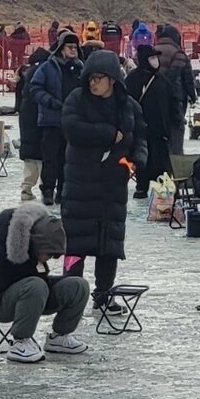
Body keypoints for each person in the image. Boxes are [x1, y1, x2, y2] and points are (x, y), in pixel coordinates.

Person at [60, 49, 144, 312]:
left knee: (109, 245)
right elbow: (72, 129)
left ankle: (104, 295)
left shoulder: (129, 106)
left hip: (112, 185)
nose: (93, 83)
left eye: (99, 78)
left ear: (112, 80)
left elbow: (140, 137)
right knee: (75, 244)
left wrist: (137, 161)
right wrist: (108, 133)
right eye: (90, 78)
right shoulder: (77, 100)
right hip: (80, 185)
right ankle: (69, 294)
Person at [0, 204, 91, 363]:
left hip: (31, 296)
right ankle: (21, 341)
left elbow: (40, 280)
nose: (49, 259)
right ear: (36, 245)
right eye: (48, 254)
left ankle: (59, 336)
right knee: (35, 285)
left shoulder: (34, 257)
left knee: (77, 285)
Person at [28, 29, 83, 206]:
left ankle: (63, 191)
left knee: (68, 159)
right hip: (51, 120)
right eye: (70, 47)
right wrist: (50, 102)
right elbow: (35, 88)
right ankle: (48, 191)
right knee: (50, 159)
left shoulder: (80, 68)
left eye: (75, 47)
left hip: (72, 121)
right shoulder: (48, 67)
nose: (73, 50)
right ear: (61, 48)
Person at [125, 44, 175, 199]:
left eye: (156, 57)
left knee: (160, 161)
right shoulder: (133, 79)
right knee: (143, 159)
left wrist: (173, 122)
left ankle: (161, 190)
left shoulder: (162, 79)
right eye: (152, 57)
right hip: (141, 129)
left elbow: (172, 102)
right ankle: (142, 187)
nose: (155, 61)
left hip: (160, 130)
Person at [154, 24, 197, 154]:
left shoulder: (151, 52)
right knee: (176, 129)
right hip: (176, 99)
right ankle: (176, 160)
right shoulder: (179, 54)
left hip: (154, 98)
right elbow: (188, 80)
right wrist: (193, 97)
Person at [16, 47, 50, 201]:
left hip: (27, 124)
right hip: (41, 125)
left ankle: (26, 189)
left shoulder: (26, 77)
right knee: (44, 160)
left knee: (30, 161)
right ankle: (47, 189)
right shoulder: (45, 75)